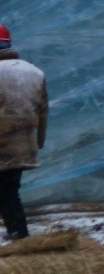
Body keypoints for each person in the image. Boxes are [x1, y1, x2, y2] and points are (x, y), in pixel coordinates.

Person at [0, 24, 48, 241]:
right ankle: (18, 234)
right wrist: (38, 142)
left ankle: (19, 234)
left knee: (6, 192)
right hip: (23, 146)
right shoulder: (34, 71)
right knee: (9, 191)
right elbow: (43, 111)